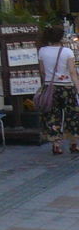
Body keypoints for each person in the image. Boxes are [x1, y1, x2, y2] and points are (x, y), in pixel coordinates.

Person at [38, 24, 79, 155]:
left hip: (50, 87)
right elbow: (72, 72)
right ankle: (73, 143)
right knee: (72, 114)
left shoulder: (42, 51)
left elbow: (42, 71)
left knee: (53, 115)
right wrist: (77, 87)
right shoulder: (67, 52)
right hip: (66, 86)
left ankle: (56, 144)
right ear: (61, 37)